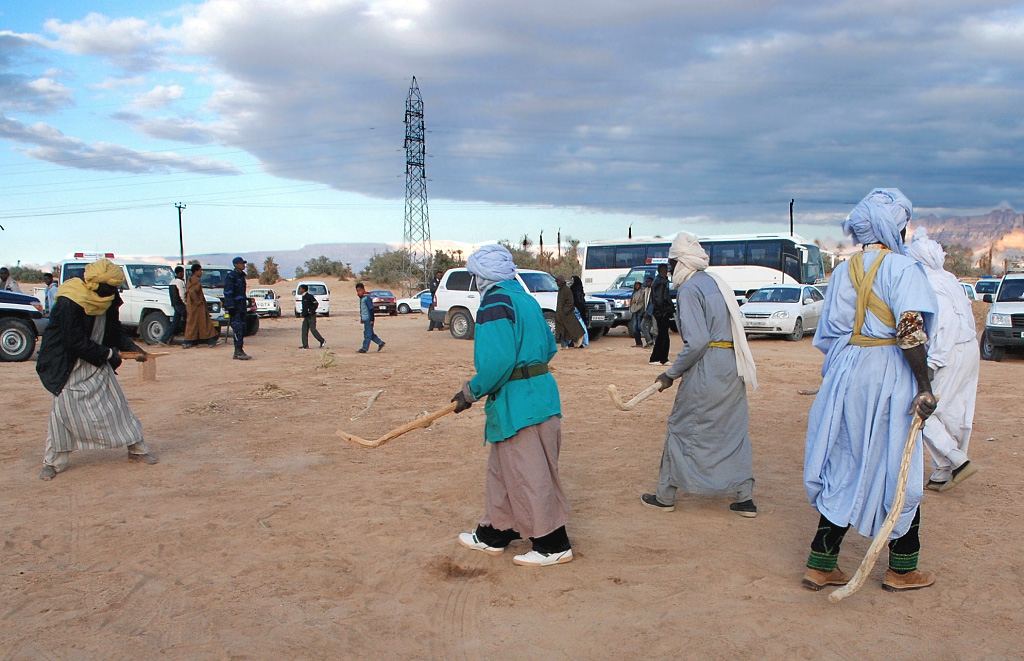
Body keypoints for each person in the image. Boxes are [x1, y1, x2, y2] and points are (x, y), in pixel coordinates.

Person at [802, 189, 939, 593]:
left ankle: (821, 563)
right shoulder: (903, 268)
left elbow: (829, 335)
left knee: (846, 463)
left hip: (848, 373)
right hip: (890, 374)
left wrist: (851, 363)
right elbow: (910, 331)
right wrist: (925, 386)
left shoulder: (843, 271)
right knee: (901, 465)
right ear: (894, 227)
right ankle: (901, 568)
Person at [453, 244, 573, 567]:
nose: (475, 281)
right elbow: (549, 347)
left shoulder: (495, 302)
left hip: (517, 405)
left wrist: (470, 392)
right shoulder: (526, 299)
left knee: (529, 473)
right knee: (502, 470)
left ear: (483, 276)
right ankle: (495, 532)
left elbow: (497, 362)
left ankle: (553, 543)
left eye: (475, 275)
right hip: (542, 397)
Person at [640, 232, 759, 518]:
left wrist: (671, 373)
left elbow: (697, 342)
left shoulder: (690, 288)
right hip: (733, 365)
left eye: (671, 264)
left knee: (681, 426)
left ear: (680, 262)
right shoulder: (717, 282)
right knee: (732, 428)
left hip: (708, 366)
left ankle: (665, 494)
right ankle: (745, 498)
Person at [35, 258, 157, 480]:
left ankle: (137, 450)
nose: (113, 292)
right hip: (68, 366)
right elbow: (74, 342)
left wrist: (132, 349)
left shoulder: (109, 299)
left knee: (117, 406)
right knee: (62, 414)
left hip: (97, 362)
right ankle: (52, 463)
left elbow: (113, 329)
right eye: (109, 287)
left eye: (115, 288)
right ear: (96, 284)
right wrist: (111, 354)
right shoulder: (69, 301)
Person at [905, 227, 979, 492]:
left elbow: (945, 325)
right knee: (955, 410)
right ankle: (942, 472)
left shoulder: (929, 284)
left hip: (948, 351)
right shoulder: (949, 278)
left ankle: (957, 460)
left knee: (922, 407)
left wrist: (933, 363)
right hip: (969, 348)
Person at [183, 264, 218, 349]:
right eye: (200, 270)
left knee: (195, 323)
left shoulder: (191, 280)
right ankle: (207, 340)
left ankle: (192, 340)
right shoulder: (195, 281)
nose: (201, 272)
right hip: (197, 307)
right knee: (201, 323)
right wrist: (198, 302)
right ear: (196, 271)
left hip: (194, 307)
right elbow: (192, 292)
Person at [223, 257, 252, 360]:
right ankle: (238, 351)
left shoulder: (242, 276)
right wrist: (230, 306)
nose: (243, 265)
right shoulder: (231, 276)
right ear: (235, 264)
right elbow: (228, 292)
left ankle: (239, 350)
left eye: (243, 263)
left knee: (243, 328)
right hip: (235, 307)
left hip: (242, 306)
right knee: (237, 329)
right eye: (241, 263)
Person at [648, 263, 673, 365]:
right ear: (664, 270)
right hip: (662, 312)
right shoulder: (660, 282)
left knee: (665, 335)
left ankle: (664, 358)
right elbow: (659, 298)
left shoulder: (661, 281)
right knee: (662, 335)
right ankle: (655, 358)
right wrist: (663, 310)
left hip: (661, 311)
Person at [553, 275, 585, 348]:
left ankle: (568, 344)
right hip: (562, 315)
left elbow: (570, 303)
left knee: (572, 330)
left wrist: (564, 312)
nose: (557, 283)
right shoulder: (561, 290)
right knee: (564, 331)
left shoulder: (566, 290)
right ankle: (565, 345)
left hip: (566, 315)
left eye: (558, 282)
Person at [160, 266, 187, 345]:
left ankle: (164, 339)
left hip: (175, 304)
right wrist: (186, 303)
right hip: (181, 304)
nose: (183, 274)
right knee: (188, 321)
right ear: (180, 272)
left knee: (175, 323)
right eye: (182, 272)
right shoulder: (180, 282)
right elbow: (182, 294)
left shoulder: (172, 282)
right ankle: (187, 339)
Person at [356, 282, 385, 353]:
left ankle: (364, 348)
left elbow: (371, 309)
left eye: (360, 290)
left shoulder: (366, 298)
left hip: (369, 319)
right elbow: (363, 310)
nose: (358, 292)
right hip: (365, 319)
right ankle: (380, 343)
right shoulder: (362, 299)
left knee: (367, 334)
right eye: (357, 291)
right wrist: (362, 318)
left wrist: (372, 319)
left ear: (363, 289)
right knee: (370, 333)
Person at [298, 283, 326, 349]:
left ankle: (322, 340)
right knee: (304, 330)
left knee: (313, 329)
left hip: (311, 316)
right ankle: (305, 345)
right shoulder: (303, 297)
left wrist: (311, 311)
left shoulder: (309, 296)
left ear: (304, 289)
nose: (299, 290)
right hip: (306, 317)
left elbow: (315, 304)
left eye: (300, 289)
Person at [570, 275, 590, 348]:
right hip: (576, 309)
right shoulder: (576, 288)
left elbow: (578, 300)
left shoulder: (577, 289)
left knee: (581, 325)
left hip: (577, 309)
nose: (572, 282)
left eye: (573, 280)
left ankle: (584, 341)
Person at [628, 281, 647, 348]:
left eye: (638, 285)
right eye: (635, 285)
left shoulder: (643, 292)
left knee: (640, 326)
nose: (636, 286)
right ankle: (638, 343)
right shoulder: (634, 293)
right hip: (635, 311)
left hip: (641, 311)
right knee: (634, 328)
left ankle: (649, 340)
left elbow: (645, 301)